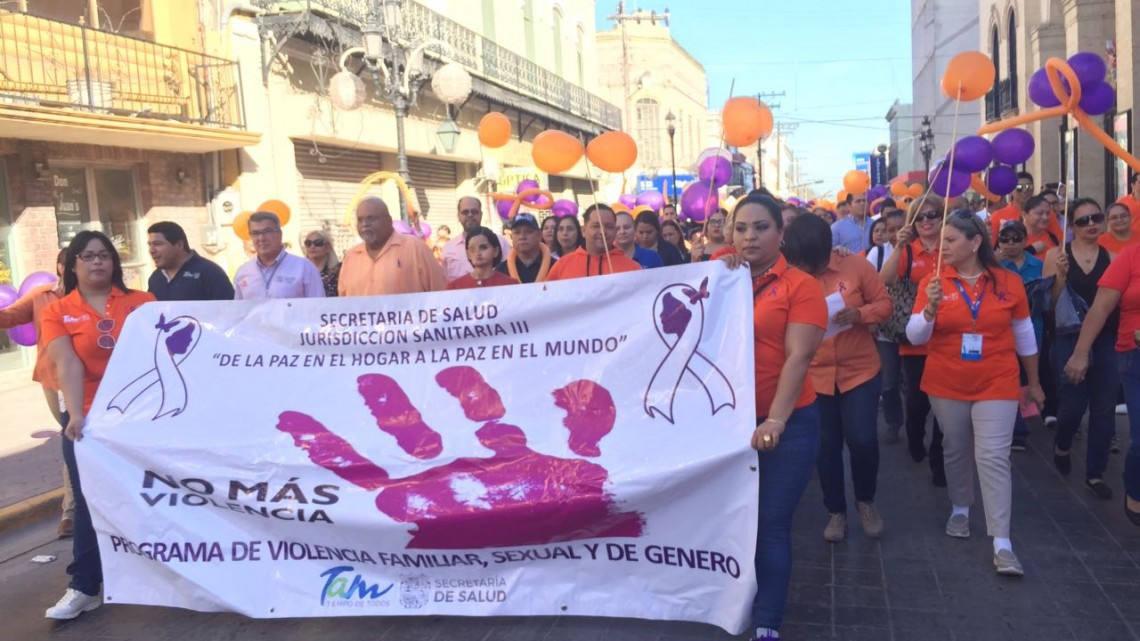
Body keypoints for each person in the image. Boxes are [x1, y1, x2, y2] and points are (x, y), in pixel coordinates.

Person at [712, 194, 826, 641]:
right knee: (728, 522)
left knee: (769, 524)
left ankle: (767, 620)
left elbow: (799, 358)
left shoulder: (802, 286)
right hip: (725, 423)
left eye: (760, 227)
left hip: (787, 425)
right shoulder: (720, 276)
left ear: (781, 233)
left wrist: (775, 422)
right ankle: (724, 601)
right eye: (741, 228)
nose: (749, 237)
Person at [907, 211, 1043, 576]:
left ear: (976, 242)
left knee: (993, 456)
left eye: (951, 240)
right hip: (946, 381)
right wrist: (931, 309)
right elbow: (914, 335)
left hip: (997, 379)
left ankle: (1002, 541)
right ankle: (960, 507)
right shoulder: (933, 282)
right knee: (956, 446)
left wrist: (1033, 381)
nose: (942, 246)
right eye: (942, 241)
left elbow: (1024, 332)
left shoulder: (1007, 282)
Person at [41, 231, 156, 618]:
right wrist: (75, 415)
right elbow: (67, 363)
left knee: (161, 496)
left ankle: (183, 569)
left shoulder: (143, 303)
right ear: (72, 264)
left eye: (105, 256)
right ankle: (84, 586)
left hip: (144, 419)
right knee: (90, 505)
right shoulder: (56, 310)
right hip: (89, 423)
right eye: (88, 256)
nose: (97, 262)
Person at [783, 214, 891, 543]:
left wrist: (860, 315)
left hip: (859, 370)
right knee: (826, 447)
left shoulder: (855, 266)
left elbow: (884, 303)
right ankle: (836, 511)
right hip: (813, 376)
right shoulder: (788, 275)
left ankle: (865, 501)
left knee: (862, 440)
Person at [1043, 199, 1118, 499]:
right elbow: (1048, 305)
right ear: (1071, 226)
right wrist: (1060, 276)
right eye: (1083, 220)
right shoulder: (1057, 255)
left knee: (1103, 408)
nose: (1091, 225)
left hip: (1105, 336)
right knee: (1073, 403)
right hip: (1069, 335)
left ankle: (1095, 473)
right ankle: (1062, 444)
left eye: (1096, 218)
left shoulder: (1111, 256)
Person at [1064, 243, 1140, 525]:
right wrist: (1081, 352)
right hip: (1135, 354)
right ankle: (1134, 490)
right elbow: (1101, 307)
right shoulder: (1131, 257)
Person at [0, 250, 74, 538]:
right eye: (76, 261)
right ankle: (73, 509)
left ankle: (76, 510)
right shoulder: (42, 296)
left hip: (93, 381)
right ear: (60, 266)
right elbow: (10, 316)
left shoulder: (93, 297)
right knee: (71, 437)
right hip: (53, 380)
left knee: (82, 440)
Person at [880, 197, 947, 486]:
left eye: (933, 214)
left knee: (945, 405)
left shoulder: (951, 246)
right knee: (918, 403)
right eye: (920, 217)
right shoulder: (908, 249)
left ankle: (939, 459)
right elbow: (884, 279)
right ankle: (915, 436)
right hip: (915, 340)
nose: (927, 220)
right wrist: (898, 245)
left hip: (948, 338)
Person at [339, 197, 447, 296]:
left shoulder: (415, 247)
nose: (364, 224)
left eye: (371, 218)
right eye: (360, 220)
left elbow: (440, 294)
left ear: (389, 221)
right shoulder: (351, 256)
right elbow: (344, 303)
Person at [867, 209, 906, 444]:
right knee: (889, 382)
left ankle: (915, 423)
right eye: (891, 230)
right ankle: (893, 422)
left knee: (913, 385)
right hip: (886, 329)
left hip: (914, 328)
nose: (895, 234)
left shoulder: (923, 252)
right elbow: (867, 288)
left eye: (901, 228)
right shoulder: (878, 253)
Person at [233, 212, 324, 300]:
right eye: (255, 233)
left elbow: (318, 309)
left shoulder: (304, 268)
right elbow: (239, 313)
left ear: (279, 233)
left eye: (267, 231)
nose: (261, 238)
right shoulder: (243, 272)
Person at [546, 204, 641, 281]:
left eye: (609, 226)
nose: (603, 231)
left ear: (615, 232)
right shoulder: (562, 265)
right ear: (583, 231)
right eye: (596, 226)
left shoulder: (633, 268)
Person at [146, 222, 233, 301]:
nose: (152, 250)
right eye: (150, 245)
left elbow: (228, 311)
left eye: (157, 244)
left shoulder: (209, 272)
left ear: (179, 245)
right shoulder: (155, 278)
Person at [440, 196, 511, 281]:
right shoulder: (449, 248)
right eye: (465, 212)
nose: (470, 215)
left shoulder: (500, 242)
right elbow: (444, 281)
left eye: (474, 212)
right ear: (458, 216)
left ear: (481, 214)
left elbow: (509, 272)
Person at [990, 172, 1062, 242]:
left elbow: (1059, 240)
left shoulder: (1046, 212)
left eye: (1029, 187)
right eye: (1019, 187)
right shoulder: (998, 216)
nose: (1024, 190)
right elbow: (991, 246)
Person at [447, 226, 518, 289]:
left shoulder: (510, 285)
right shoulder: (454, 287)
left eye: (483, 247)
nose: (477, 253)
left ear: (496, 251)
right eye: (472, 249)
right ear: (468, 254)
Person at [495, 213, 556, 284]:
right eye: (517, 232)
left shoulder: (556, 267)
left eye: (528, 231)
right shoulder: (501, 271)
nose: (522, 237)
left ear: (539, 235)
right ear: (512, 237)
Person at [301, 229, 341, 297]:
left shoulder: (340, 271)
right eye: (308, 243)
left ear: (328, 247)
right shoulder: (300, 271)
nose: (312, 247)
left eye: (318, 243)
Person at [1114, 171, 1140, 235]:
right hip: (1129, 239)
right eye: (1139, 182)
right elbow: (1114, 221)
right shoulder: (1122, 202)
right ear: (1132, 185)